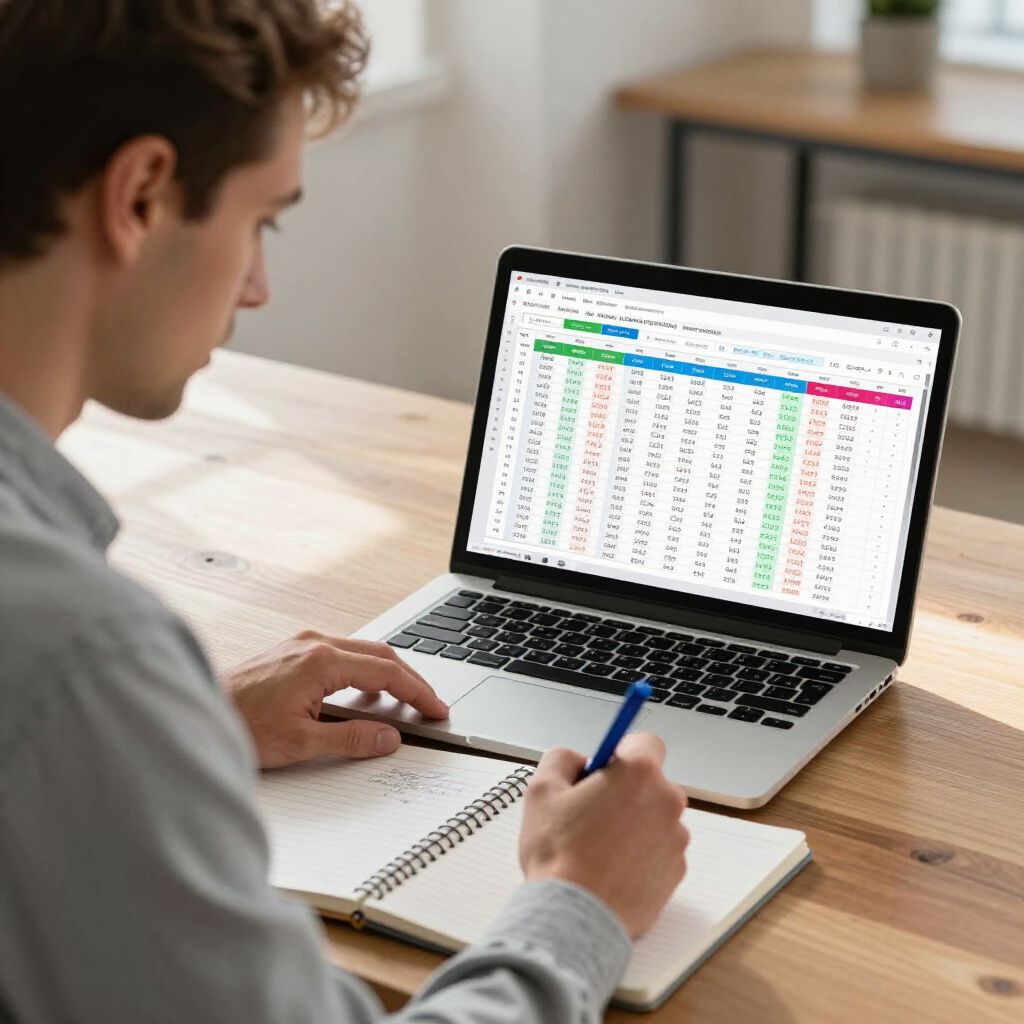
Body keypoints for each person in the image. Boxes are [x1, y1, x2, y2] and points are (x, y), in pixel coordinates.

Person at [0, 2, 691, 1021]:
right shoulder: (76, 650)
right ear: (142, 193)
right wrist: (578, 897)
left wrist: (178, 733)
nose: (260, 286)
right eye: (262, 219)